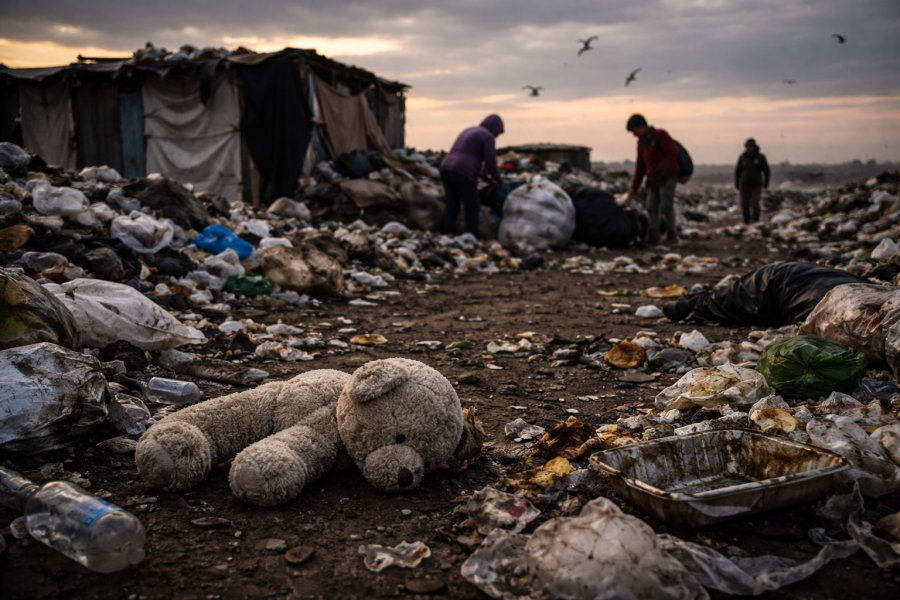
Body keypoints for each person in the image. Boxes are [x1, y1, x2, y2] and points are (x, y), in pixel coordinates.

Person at [440, 114, 504, 236]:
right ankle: (471, 236)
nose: (497, 135)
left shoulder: (469, 130)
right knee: (473, 206)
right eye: (498, 132)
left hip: (446, 168)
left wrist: (484, 177)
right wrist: (499, 181)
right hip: (463, 171)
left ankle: (447, 234)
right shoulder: (488, 136)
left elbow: (467, 154)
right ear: (493, 127)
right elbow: (490, 162)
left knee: (452, 205)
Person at [625, 114, 681, 246]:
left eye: (634, 131)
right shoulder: (641, 144)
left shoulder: (660, 135)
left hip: (668, 177)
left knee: (666, 206)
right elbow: (640, 166)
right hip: (653, 179)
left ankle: (672, 236)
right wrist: (634, 188)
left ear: (642, 126)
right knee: (651, 206)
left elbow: (673, 153)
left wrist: (662, 170)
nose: (634, 135)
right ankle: (653, 236)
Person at [734, 138, 770, 224]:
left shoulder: (760, 157)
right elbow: (738, 171)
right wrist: (736, 182)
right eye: (748, 146)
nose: (749, 148)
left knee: (755, 203)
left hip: (756, 184)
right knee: (744, 204)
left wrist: (766, 182)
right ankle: (746, 222)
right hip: (744, 184)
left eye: (751, 146)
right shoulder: (742, 157)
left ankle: (755, 221)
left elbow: (766, 170)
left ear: (754, 147)